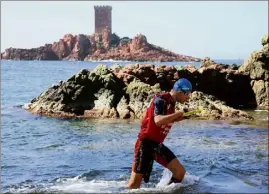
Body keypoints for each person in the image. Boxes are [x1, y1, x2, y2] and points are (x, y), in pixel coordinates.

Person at [125, 78, 193, 189]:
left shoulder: (171, 103)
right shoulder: (161, 100)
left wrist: (181, 117)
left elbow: (165, 120)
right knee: (134, 185)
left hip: (156, 145)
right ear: (181, 92)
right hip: (145, 144)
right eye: (188, 94)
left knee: (180, 172)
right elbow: (158, 120)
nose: (188, 97)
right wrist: (179, 113)